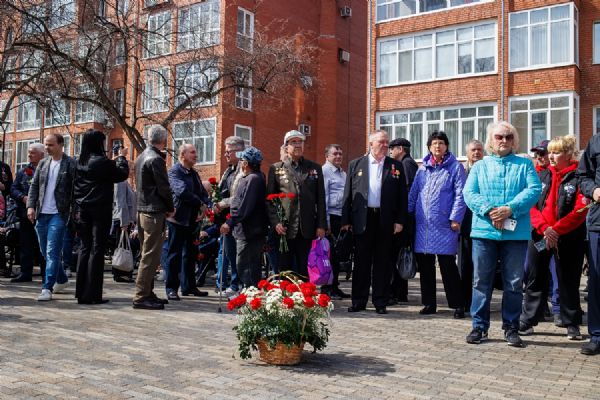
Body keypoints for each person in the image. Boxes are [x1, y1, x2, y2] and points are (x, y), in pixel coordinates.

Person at [463, 121, 541, 347]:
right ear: (491, 140)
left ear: (514, 140)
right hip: (484, 232)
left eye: (508, 137)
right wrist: (490, 211)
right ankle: (479, 326)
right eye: (499, 137)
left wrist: (510, 209)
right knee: (481, 281)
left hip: (515, 234)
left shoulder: (525, 165)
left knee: (514, 283)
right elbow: (469, 193)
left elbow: (534, 189)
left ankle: (511, 327)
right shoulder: (480, 166)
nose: (504, 140)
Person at [519, 135, 586, 341]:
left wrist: (556, 230)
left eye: (556, 152)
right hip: (541, 237)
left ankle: (571, 322)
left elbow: (580, 210)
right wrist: (544, 228)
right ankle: (529, 319)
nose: (551, 156)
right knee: (535, 276)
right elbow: (531, 205)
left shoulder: (578, 177)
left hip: (568, 238)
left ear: (567, 154)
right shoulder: (541, 175)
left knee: (568, 279)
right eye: (550, 152)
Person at [341, 130, 407, 315]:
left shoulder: (395, 166)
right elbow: (348, 195)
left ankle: (380, 301)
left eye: (387, 142)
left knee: (382, 262)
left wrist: (400, 220)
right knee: (361, 262)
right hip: (363, 219)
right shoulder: (356, 164)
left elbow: (402, 196)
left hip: (385, 220)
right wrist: (346, 220)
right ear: (371, 144)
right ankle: (358, 301)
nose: (385, 145)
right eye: (381, 142)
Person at [408, 131, 467, 318]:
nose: (438, 146)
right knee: (425, 266)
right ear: (429, 147)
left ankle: (457, 304)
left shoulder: (455, 167)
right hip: (423, 225)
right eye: (434, 143)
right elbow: (414, 193)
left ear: (446, 146)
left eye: (441, 143)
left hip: (444, 225)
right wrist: (408, 215)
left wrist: (456, 218)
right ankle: (429, 303)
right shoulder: (422, 169)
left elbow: (461, 194)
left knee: (447, 266)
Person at [74, 130, 129, 305]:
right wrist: (121, 157)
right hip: (100, 208)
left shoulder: (80, 162)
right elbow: (121, 174)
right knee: (97, 249)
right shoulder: (101, 161)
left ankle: (81, 292)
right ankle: (93, 293)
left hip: (83, 208)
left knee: (84, 248)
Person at [266, 130, 327, 277]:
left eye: (300, 142)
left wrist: (321, 225)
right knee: (285, 269)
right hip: (285, 228)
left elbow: (321, 199)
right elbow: (269, 200)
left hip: (308, 228)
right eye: (294, 142)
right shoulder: (276, 168)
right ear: (286, 147)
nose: (298, 145)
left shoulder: (315, 168)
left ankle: (305, 292)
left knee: (305, 269)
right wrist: (276, 222)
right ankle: (286, 292)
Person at [26, 134, 76, 301]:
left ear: (61, 145)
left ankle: (47, 287)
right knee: (45, 251)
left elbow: (76, 190)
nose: (47, 148)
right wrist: (30, 207)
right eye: (46, 145)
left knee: (52, 251)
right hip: (41, 214)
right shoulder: (43, 163)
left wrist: (74, 211)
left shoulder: (71, 164)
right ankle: (61, 279)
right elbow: (34, 186)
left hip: (59, 214)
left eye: (51, 145)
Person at [133, 125, 174, 310]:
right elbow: (163, 187)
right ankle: (141, 295)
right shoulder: (156, 159)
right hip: (153, 211)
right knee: (150, 255)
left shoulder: (141, 156)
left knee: (147, 253)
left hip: (142, 209)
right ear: (163, 140)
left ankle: (147, 292)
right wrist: (170, 207)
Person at [165, 144, 209, 301]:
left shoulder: (194, 173)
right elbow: (182, 191)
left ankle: (189, 286)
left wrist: (205, 204)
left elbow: (203, 193)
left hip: (192, 220)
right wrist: (200, 203)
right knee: (174, 254)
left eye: (196, 152)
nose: (196, 155)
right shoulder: (174, 171)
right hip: (177, 219)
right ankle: (171, 288)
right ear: (182, 155)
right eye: (192, 152)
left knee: (191, 254)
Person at [220, 146, 268, 288]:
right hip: (246, 231)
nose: (240, 163)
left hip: (250, 232)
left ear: (246, 163)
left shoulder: (253, 179)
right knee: (245, 265)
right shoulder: (251, 177)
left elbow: (245, 205)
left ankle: (250, 294)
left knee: (246, 265)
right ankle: (248, 292)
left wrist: (230, 222)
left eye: (241, 160)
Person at [576, 132, 600, 355]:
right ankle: (597, 335)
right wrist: (593, 190)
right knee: (597, 281)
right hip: (598, 224)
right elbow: (582, 175)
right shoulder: (596, 141)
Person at [10, 143, 45, 283]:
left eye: (33, 152)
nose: (29, 155)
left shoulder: (48, 169)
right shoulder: (23, 171)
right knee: (25, 244)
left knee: (43, 245)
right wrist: (22, 197)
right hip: (25, 214)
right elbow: (13, 188)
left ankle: (46, 274)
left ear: (42, 154)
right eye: (29, 152)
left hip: (43, 213)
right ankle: (25, 273)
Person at [388, 137, 418, 304]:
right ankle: (400, 292)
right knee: (398, 255)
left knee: (397, 256)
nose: (390, 152)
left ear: (400, 149)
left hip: (404, 220)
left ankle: (396, 292)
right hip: (405, 219)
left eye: (392, 148)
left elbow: (407, 193)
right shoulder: (408, 163)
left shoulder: (406, 164)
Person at [215, 136, 244, 297]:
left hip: (237, 219)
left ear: (239, 151)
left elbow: (240, 196)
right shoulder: (229, 170)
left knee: (236, 254)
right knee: (229, 252)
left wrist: (223, 203)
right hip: (225, 218)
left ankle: (237, 284)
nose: (225, 154)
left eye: (228, 151)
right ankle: (232, 283)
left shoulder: (243, 170)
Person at [321, 144, 349, 299]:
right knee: (329, 255)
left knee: (337, 255)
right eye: (335, 154)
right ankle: (327, 288)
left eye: (340, 153)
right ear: (327, 156)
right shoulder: (325, 171)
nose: (338, 156)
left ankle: (335, 286)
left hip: (340, 217)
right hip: (330, 217)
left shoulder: (343, 174)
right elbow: (324, 197)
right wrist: (326, 223)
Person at [460, 139, 484, 311]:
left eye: (479, 150)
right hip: (465, 225)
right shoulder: (462, 171)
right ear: (467, 153)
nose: (476, 153)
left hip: (483, 225)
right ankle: (464, 302)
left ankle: (480, 302)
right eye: (473, 150)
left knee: (481, 267)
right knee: (464, 265)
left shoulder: (487, 170)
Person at [112, 162, 137, 283]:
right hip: (122, 219)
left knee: (123, 246)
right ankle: (120, 272)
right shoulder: (121, 182)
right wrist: (124, 222)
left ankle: (123, 272)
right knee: (121, 247)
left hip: (126, 219)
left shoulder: (125, 182)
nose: (133, 172)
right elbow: (121, 202)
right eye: (132, 169)